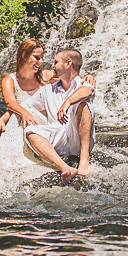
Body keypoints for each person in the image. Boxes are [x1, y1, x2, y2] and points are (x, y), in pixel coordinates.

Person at [23, 49, 95, 183]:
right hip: (57, 140)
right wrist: (3, 119)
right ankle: (65, 168)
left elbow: (87, 91)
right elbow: (24, 106)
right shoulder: (47, 90)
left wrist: (67, 101)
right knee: (29, 130)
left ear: (68, 64)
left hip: (78, 141)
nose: (52, 65)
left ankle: (84, 159)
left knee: (84, 105)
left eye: (56, 62)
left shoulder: (85, 83)